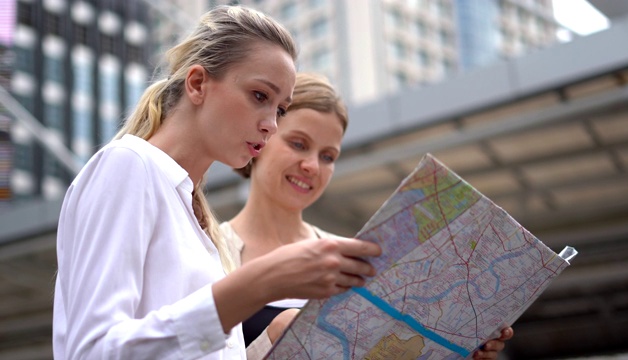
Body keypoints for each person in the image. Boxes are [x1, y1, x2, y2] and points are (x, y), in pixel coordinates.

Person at [52, 6, 381, 360]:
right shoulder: (128, 165)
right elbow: (91, 351)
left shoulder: (195, 216)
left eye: (280, 110)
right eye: (260, 96)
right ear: (197, 84)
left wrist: (272, 340)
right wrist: (260, 283)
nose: (271, 123)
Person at [221, 72, 514, 360]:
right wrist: (272, 339)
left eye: (328, 156)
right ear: (262, 136)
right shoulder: (208, 249)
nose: (312, 165)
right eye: (298, 144)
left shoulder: (353, 259)